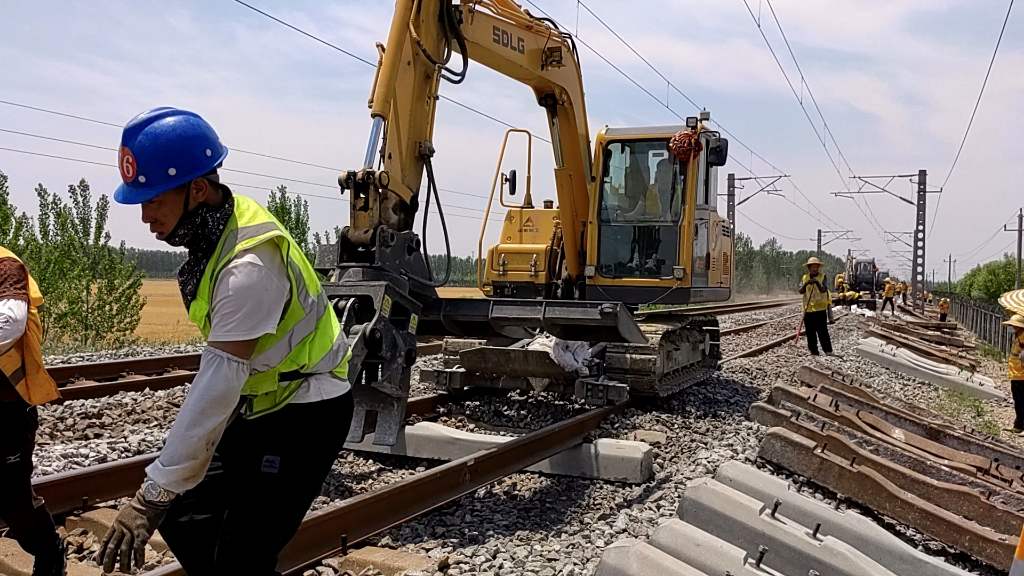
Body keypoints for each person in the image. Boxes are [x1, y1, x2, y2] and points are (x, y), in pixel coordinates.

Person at [95, 107, 353, 575]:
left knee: (239, 556)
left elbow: (216, 387)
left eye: (153, 200)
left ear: (197, 189)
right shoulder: (217, 228)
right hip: (263, 401)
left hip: (307, 408)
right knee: (185, 514)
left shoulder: (248, 268)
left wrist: (149, 498)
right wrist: (164, 494)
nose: (145, 216)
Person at [0, 247, 64, 576]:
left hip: (6, 407)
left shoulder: (5, 265)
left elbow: (10, 322)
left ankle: (50, 552)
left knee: (12, 497)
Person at [799, 256, 834, 356]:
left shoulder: (823, 277)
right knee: (810, 332)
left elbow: (824, 289)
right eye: (813, 267)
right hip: (808, 309)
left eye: (816, 267)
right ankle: (813, 351)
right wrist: (806, 284)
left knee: (822, 331)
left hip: (820, 309)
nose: (815, 269)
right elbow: (801, 291)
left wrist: (817, 283)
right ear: (809, 267)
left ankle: (828, 350)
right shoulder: (804, 278)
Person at [1004, 314, 1024, 434]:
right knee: (1017, 401)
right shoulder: (1019, 337)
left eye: (1014, 325)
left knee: (1022, 401)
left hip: (1022, 375)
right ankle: (1019, 425)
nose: (1012, 327)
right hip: (1016, 374)